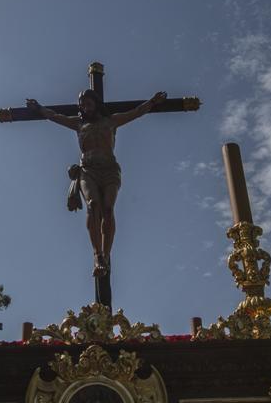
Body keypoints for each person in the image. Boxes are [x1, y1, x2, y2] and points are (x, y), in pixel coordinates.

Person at [25, 88, 167, 280]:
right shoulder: (78, 124)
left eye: (88, 102)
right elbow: (55, 116)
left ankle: (106, 255)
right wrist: (39, 108)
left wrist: (152, 102)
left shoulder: (111, 121)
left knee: (108, 209)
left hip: (109, 170)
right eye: (82, 104)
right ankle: (97, 255)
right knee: (93, 206)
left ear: (96, 103)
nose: (85, 106)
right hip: (88, 171)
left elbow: (136, 112)